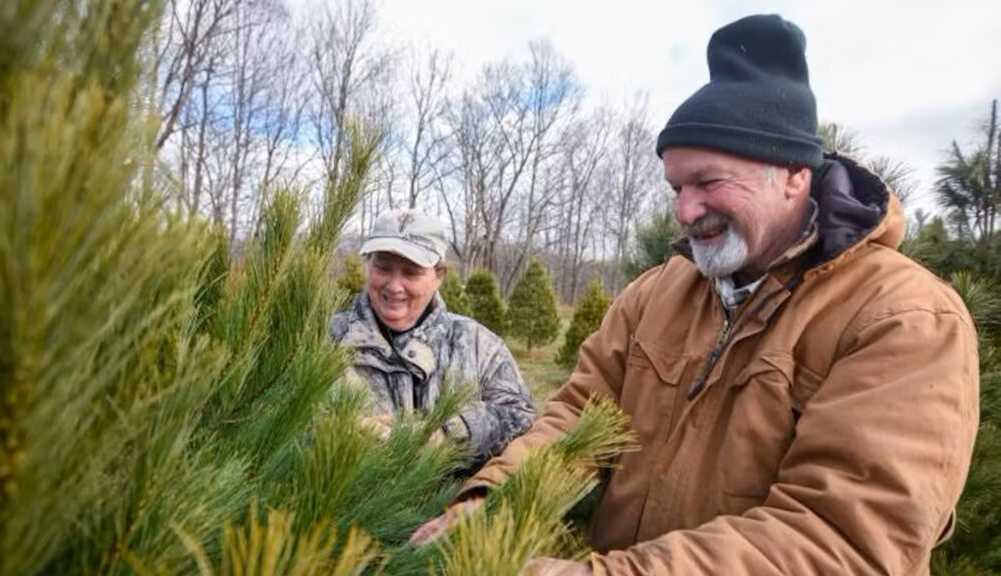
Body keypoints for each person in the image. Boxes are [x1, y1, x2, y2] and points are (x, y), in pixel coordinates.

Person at [410, 14, 979, 575]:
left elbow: (846, 539)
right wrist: (490, 502)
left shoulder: (903, 318)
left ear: (793, 174)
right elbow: (576, 421)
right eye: (677, 188)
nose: (684, 211)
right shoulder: (657, 293)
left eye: (708, 182)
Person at [330, 209, 535, 468]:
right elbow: (278, 414)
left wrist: (445, 435)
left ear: (439, 275)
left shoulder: (477, 345)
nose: (394, 286)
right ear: (368, 264)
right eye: (382, 268)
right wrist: (340, 429)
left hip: (454, 507)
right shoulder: (326, 339)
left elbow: (520, 416)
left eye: (411, 272)